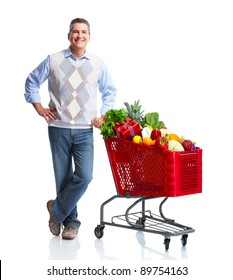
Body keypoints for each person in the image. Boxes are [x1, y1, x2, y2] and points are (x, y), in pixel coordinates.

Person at [24, 18, 116, 240]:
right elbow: (31, 82)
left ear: (89, 36)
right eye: (75, 32)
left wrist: (104, 114)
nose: (79, 35)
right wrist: (39, 108)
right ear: (69, 36)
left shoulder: (98, 63)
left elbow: (110, 91)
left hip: (85, 130)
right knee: (63, 178)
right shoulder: (53, 60)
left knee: (84, 176)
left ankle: (56, 210)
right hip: (58, 128)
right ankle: (71, 223)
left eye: (84, 32)